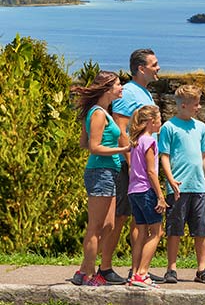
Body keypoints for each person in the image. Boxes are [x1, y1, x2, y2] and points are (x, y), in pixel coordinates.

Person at [101, 48, 164, 284]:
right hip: (130, 167)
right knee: (120, 216)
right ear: (141, 68)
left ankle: (137, 269)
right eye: (154, 64)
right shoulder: (128, 93)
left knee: (138, 219)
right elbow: (120, 128)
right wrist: (131, 163)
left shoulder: (144, 93)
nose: (158, 68)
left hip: (141, 167)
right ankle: (105, 267)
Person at [70, 71, 130, 286]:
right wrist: (122, 148)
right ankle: (87, 274)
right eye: (118, 84)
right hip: (100, 173)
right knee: (95, 227)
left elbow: (83, 142)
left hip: (109, 172)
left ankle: (84, 271)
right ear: (107, 89)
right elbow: (93, 147)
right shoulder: (98, 114)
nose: (122, 87)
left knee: (109, 225)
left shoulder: (103, 112)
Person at [159, 84, 205, 285]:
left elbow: (204, 157)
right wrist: (170, 180)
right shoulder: (169, 127)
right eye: (196, 104)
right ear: (184, 105)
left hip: (199, 187)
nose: (199, 107)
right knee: (174, 229)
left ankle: (201, 269)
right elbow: (164, 157)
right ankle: (171, 269)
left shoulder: (200, 127)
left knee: (201, 229)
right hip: (178, 187)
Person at [127, 105, 168, 288]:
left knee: (142, 232)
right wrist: (160, 196)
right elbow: (151, 171)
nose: (161, 122)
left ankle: (135, 273)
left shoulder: (136, 141)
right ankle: (142, 273)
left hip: (133, 191)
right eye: (159, 119)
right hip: (145, 190)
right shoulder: (149, 141)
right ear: (152, 121)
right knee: (157, 232)